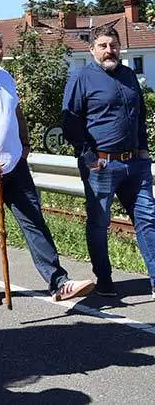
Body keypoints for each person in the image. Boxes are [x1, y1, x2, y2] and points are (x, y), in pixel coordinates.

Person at [0, 28, 94, 305]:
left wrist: (24, 143)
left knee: (34, 221)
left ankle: (58, 282)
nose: (0, 52)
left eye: (1, 47)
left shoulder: (5, 78)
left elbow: (16, 112)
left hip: (14, 165)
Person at [62, 25, 155, 298]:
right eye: (102, 46)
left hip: (135, 165)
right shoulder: (81, 77)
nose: (108, 50)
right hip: (101, 165)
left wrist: (144, 151)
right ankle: (104, 281)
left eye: (112, 45)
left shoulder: (128, 75)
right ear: (92, 50)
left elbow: (139, 115)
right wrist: (89, 156)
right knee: (99, 223)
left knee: (148, 220)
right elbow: (69, 121)